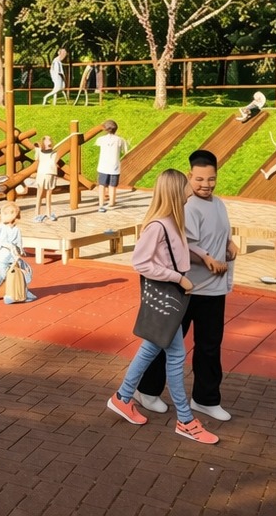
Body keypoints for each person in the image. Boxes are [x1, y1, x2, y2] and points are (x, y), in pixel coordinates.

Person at [105, 169, 219, 445]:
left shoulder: (172, 222)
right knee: (176, 357)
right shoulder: (158, 225)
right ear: (175, 191)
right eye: (186, 187)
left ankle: (122, 398)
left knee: (150, 348)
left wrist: (201, 256)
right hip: (169, 297)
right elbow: (141, 263)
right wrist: (178, 277)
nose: (190, 191)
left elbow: (179, 251)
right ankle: (186, 420)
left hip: (175, 296)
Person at [134, 149, 235, 423]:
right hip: (188, 289)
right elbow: (180, 245)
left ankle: (206, 399)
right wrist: (206, 258)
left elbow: (222, 232)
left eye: (211, 179)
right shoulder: (186, 206)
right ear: (190, 176)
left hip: (214, 289)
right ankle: (146, 391)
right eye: (200, 179)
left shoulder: (219, 203)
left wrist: (229, 244)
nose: (206, 185)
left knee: (210, 346)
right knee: (163, 342)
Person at [0, 202, 36, 304]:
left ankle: (20, 291)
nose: (3, 216)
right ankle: (13, 293)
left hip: (13, 258)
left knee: (20, 271)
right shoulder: (1, 227)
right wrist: (7, 245)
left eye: (6, 214)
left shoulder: (16, 230)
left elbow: (18, 242)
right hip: (2, 257)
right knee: (5, 275)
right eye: (3, 214)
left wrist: (19, 251)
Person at [94, 119, 129, 213]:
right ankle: (111, 202)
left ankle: (101, 203)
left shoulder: (101, 139)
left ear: (105, 129)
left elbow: (97, 144)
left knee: (102, 185)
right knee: (112, 186)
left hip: (103, 166)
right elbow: (125, 150)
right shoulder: (120, 140)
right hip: (115, 167)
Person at [32, 134, 59, 223]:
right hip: (41, 174)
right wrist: (37, 148)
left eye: (50, 139)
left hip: (50, 174)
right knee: (39, 194)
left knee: (49, 195)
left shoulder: (54, 152)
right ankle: (37, 214)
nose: (49, 141)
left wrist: (55, 175)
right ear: (43, 142)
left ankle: (48, 213)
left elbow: (54, 164)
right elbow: (36, 158)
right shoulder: (40, 151)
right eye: (47, 140)